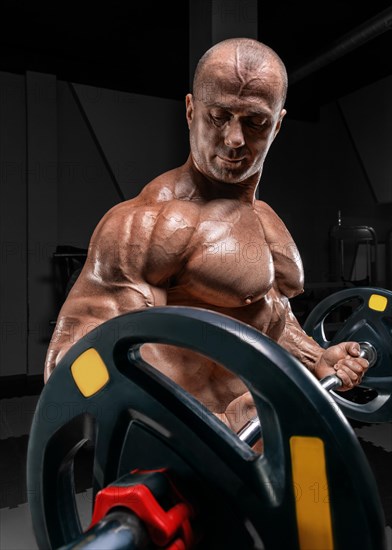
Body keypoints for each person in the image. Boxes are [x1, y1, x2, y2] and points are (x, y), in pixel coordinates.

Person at [44, 37, 368, 437]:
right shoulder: (147, 224)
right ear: (190, 110)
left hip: (258, 439)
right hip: (180, 453)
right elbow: (74, 356)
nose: (235, 139)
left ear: (278, 124)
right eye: (218, 117)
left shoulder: (262, 217)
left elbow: (267, 315)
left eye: (255, 122)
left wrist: (317, 357)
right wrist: (196, 426)